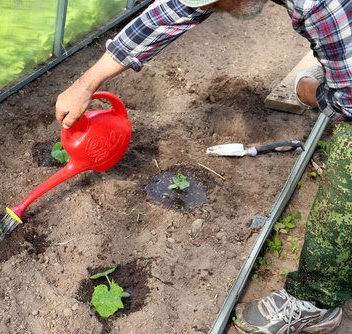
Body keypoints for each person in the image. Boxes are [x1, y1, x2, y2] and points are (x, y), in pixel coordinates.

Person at [55, 0, 352, 333]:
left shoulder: (320, 4)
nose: (207, 5)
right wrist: (85, 85)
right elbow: (169, 13)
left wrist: (306, 89)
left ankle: (317, 303)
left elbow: (347, 101)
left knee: (345, 192)